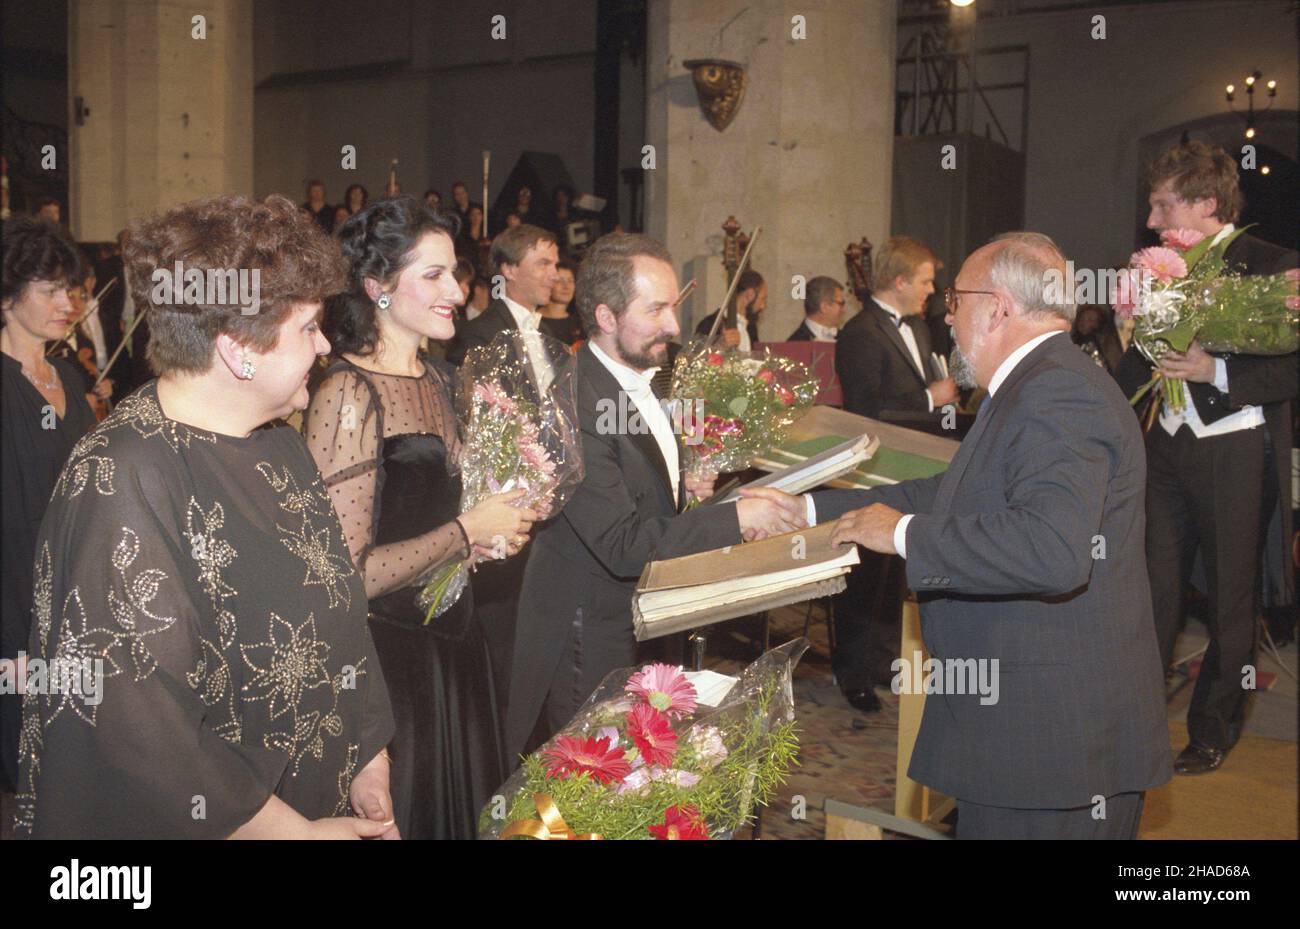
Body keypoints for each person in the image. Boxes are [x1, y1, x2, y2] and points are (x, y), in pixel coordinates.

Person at [13, 194, 397, 838]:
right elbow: (136, 726)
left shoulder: (275, 439)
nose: (325, 344)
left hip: (318, 799)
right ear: (238, 350)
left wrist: (367, 752)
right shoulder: (123, 477)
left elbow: (337, 605)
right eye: (307, 328)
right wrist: (294, 834)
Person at [801, 232, 1172, 838]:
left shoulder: (1057, 392)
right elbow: (951, 493)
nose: (946, 315)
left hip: (1050, 752)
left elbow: (1051, 550)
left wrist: (904, 537)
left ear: (998, 305)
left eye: (956, 299)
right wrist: (811, 509)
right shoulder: (1035, 382)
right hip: (1035, 741)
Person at [505, 232, 809, 761]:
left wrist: (691, 482)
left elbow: (645, 486)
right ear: (605, 316)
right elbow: (621, 542)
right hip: (591, 632)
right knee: (590, 784)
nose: (673, 325)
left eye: (675, 306)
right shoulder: (575, 400)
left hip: (643, 616)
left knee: (641, 777)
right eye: (657, 309)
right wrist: (735, 520)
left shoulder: (648, 378)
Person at [306, 197, 537, 839]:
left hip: (459, 647)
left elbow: (438, 515)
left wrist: (498, 527)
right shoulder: (348, 394)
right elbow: (345, 577)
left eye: (455, 274)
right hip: (390, 668)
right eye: (432, 276)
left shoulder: (442, 379)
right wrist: (468, 531)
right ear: (377, 288)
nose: (457, 292)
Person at [1114, 141, 1298, 776]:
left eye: (1164, 204)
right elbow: (1131, 366)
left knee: (1229, 602)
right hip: (1164, 449)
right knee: (1151, 592)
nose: (1151, 218)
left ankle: (1213, 730)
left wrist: (1213, 367)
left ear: (1206, 203)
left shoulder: (1272, 267)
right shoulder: (1151, 269)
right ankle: (1135, 726)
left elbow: (1292, 366)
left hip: (1234, 451)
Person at [1, 218, 98, 793]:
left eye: (72, 289)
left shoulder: (66, 374)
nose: (68, 303)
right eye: (50, 290)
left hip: (73, 584)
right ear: (8, 296)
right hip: (12, 586)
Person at [836, 235, 958, 421]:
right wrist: (930, 398)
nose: (932, 290)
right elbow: (863, 410)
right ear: (900, 282)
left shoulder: (919, 326)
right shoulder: (860, 332)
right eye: (925, 282)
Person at [694, 269, 765, 350]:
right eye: (762, 299)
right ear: (750, 294)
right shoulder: (710, 324)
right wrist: (719, 345)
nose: (762, 306)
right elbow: (696, 358)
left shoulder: (751, 328)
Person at [538, 259, 583, 346]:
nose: (566, 286)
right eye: (559, 281)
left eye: (570, 281)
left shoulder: (580, 322)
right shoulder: (533, 321)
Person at [789, 275, 846, 341]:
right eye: (841, 304)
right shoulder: (794, 345)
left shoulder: (847, 338)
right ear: (824, 307)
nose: (843, 310)